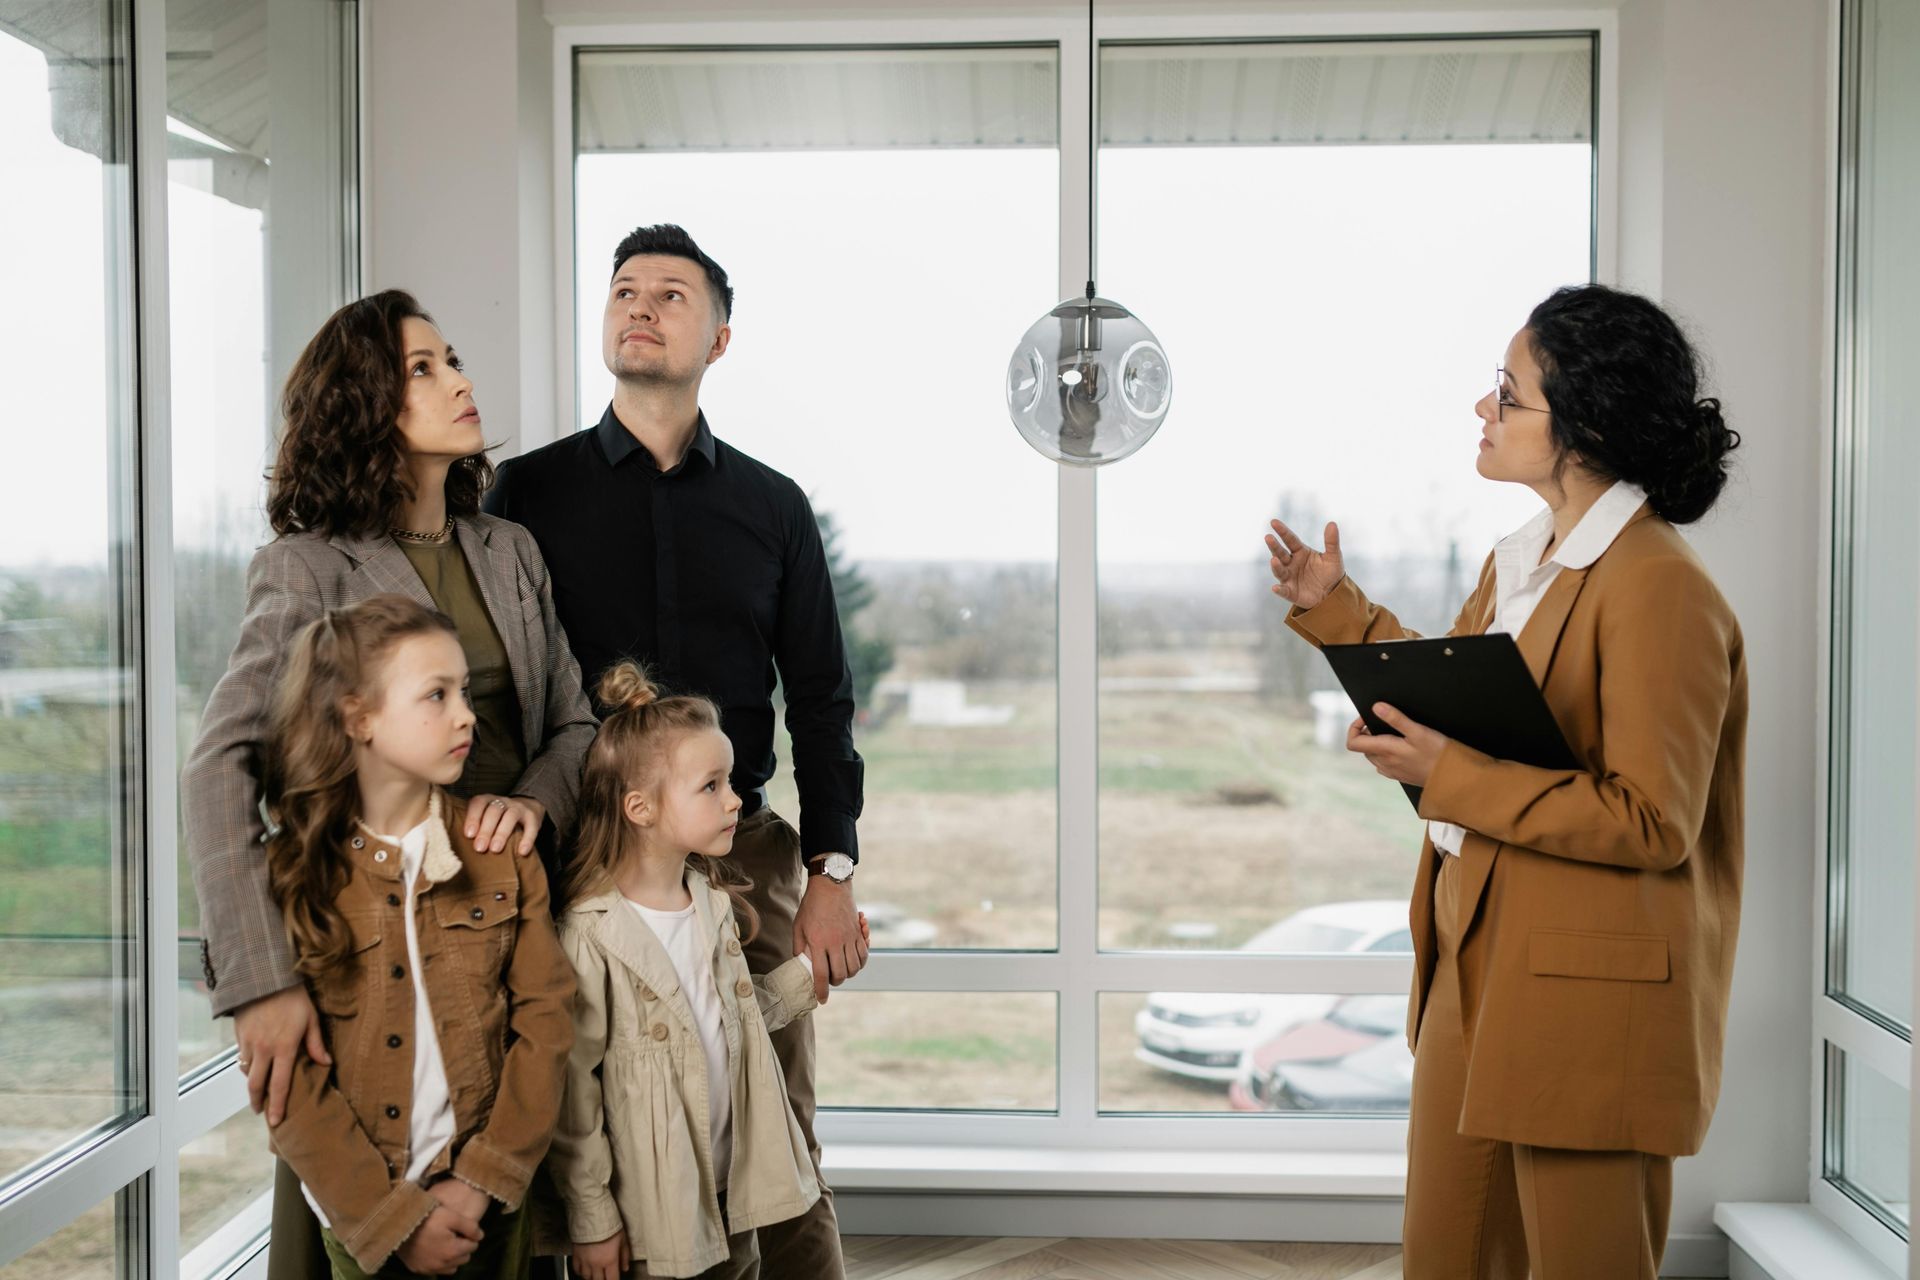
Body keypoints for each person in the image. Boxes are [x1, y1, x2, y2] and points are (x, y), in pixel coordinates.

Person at [1267, 284, 1746, 1280]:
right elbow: (1470, 704)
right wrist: (1339, 610)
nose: (1482, 410)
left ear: (1586, 422)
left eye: (1507, 392)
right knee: (1443, 1255)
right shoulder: (1525, 563)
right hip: (1473, 951)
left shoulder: (1659, 585)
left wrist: (1457, 779)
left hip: (1587, 990)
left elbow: (1654, 819)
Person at [181, 289, 597, 1278]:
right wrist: (261, 983)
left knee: (512, 1204)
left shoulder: (511, 550)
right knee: (370, 1217)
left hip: (512, 902)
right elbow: (218, 764)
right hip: (370, 934)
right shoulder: (307, 567)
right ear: (363, 402)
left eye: (452, 356)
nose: (459, 377)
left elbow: (577, 725)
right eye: (423, 366)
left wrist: (533, 798)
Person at [485, 224, 867, 1276]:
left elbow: (825, 700)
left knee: (772, 1119)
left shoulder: (774, 506)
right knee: (583, 1125)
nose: (640, 307)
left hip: (741, 848)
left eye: (670, 294)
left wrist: (832, 868)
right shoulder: (522, 496)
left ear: (721, 336)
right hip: (577, 853)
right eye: (624, 291)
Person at [258, 595, 574, 1278]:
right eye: (437, 694)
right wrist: (390, 1221)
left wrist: (483, 1180)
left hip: (491, 1209)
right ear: (357, 716)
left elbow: (547, 1022)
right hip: (363, 1223)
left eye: (464, 690)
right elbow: (291, 1085)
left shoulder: (505, 854)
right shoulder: (294, 874)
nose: (467, 715)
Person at [548, 662, 869, 1279]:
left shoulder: (713, 908)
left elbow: (734, 1021)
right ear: (639, 808)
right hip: (650, 1221)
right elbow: (572, 1096)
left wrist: (806, 972)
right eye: (713, 785)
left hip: (727, 1201)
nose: (736, 800)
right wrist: (592, 1221)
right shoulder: (591, 934)